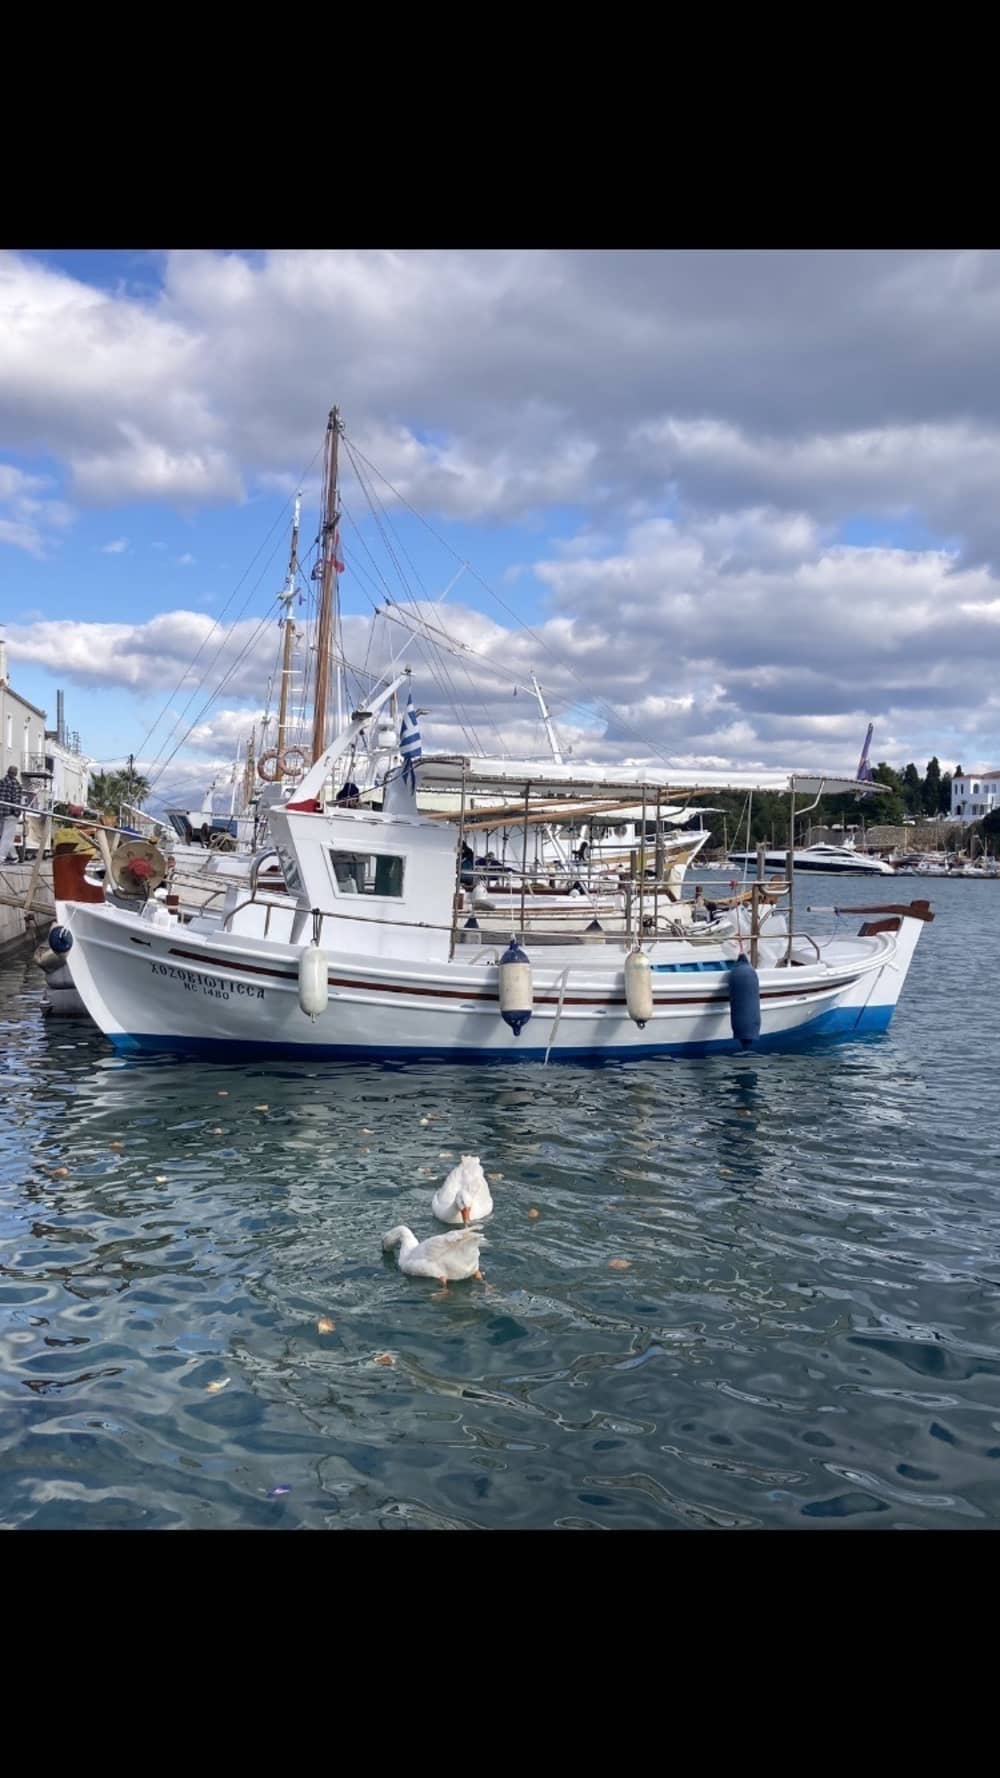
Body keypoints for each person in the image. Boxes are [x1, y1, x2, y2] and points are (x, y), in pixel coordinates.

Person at [0, 764, 23, 862]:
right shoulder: (16, 784)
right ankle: (1, 857)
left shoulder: (2, 782)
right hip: (11, 814)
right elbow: (15, 800)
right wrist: (17, 813)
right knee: (7, 837)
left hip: (1, 812)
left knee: (3, 835)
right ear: (15, 773)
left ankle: (14, 856)